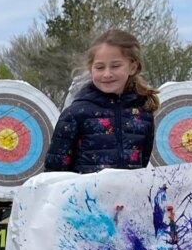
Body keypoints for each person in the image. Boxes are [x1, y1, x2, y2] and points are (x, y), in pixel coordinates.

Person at [43, 29, 159, 173]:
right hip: (83, 195)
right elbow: (55, 170)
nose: (107, 74)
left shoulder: (143, 113)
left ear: (133, 67)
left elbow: (142, 163)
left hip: (128, 195)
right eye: (99, 67)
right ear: (91, 69)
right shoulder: (75, 113)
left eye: (115, 66)